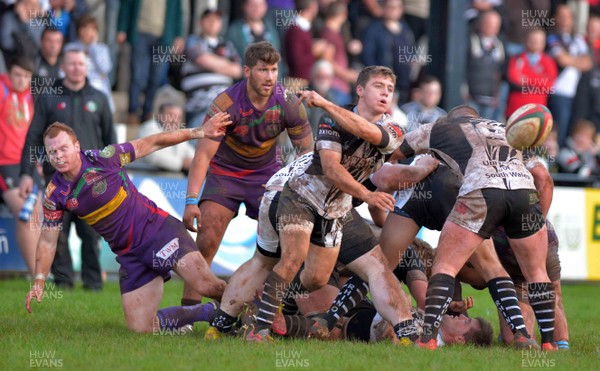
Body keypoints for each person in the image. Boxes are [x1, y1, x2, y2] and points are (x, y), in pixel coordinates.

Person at [241, 66, 408, 342]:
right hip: (302, 196)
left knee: (317, 278)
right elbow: (331, 169)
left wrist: (325, 103)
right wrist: (367, 196)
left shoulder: (395, 128)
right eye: (379, 86)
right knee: (292, 258)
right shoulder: (329, 121)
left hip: (335, 210)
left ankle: (274, 303)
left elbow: (369, 133)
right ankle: (258, 329)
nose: (385, 93)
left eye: (390, 89)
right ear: (360, 90)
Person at [25, 118, 231, 333]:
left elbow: (153, 142)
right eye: (52, 152)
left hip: (159, 232)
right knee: (141, 327)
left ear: (77, 147)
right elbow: (48, 241)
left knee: (208, 286)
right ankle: (208, 312)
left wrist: (199, 131)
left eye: (63, 148)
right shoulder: (55, 193)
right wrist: (39, 280)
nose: (58, 156)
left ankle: (250, 313)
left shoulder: (105, 158)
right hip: (130, 254)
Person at [392, 106, 557, 350]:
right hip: (524, 193)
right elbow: (540, 173)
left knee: (445, 266)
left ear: (450, 117)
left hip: (481, 191)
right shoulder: (505, 128)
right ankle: (547, 344)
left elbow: (394, 152)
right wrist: (538, 223)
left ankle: (427, 339)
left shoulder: (440, 127)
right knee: (537, 273)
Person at [181, 41, 313, 305]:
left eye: (274, 70)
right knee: (206, 240)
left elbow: (307, 156)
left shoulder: (288, 103)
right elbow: (203, 155)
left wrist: (306, 198)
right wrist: (191, 201)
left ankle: (278, 309)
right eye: (262, 70)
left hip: (267, 176)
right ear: (247, 71)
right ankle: (189, 312)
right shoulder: (225, 103)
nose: (269, 77)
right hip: (225, 175)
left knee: (286, 243)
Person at [19, 48, 115, 291]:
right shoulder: (49, 96)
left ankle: (93, 284)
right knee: (57, 234)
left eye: (80, 64)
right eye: (71, 64)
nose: (76, 68)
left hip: (92, 181)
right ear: (63, 66)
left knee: (91, 234)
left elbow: (111, 142)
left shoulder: (100, 98)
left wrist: (114, 174)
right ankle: (63, 284)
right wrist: (25, 173)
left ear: (86, 67)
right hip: (57, 179)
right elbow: (33, 138)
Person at [0, 56, 41, 276]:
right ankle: (37, 275)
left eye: (26, 76)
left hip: (28, 164)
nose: (21, 80)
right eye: (17, 74)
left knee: (36, 214)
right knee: (24, 214)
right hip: (5, 165)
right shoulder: (1, 90)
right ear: (8, 72)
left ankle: (40, 274)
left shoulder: (31, 96)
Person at [117, 0, 184, 124]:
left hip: (163, 37)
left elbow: (178, 13)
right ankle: (132, 111)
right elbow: (126, 6)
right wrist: (121, 28)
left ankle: (147, 112)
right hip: (140, 33)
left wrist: (178, 35)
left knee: (156, 77)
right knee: (137, 75)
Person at [180, 9, 242, 130]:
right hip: (200, 103)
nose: (213, 22)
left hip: (225, 102)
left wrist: (212, 64)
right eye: (209, 19)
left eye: (217, 20)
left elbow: (238, 70)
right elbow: (202, 59)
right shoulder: (192, 41)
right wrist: (226, 65)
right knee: (202, 132)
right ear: (200, 22)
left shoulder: (227, 45)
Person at [547, 4, 592, 147]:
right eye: (561, 16)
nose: (565, 19)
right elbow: (561, 59)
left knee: (570, 129)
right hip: (558, 91)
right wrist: (576, 60)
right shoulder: (552, 36)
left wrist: (570, 60)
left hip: (574, 93)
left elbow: (588, 62)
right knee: (557, 130)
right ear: (555, 18)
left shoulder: (577, 39)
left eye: (568, 16)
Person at [361, 0, 415, 105]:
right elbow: (368, 56)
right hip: (383, 83)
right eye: (390, 7)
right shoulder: (373, 29)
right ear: (383, 8)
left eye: (397, 7)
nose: (394, 10)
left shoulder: (405, 28)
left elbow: (410, 50)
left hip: (403, 85)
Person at [65, 15, 114, 113]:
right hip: (76, 90)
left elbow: (105, 69)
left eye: (92, 29)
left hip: (100, 90)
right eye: (85, 28)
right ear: (79, 30)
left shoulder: (102, 48)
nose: (88, 32)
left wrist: (92, 47)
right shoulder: (70, 48)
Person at [505, 28, 557, 118]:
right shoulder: (517, 59)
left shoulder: (549, 62)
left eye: (539, 40)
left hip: (537, 112)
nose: (535, 43)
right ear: (526, 40)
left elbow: (549, 85)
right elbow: (513, 78)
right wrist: (540, 79)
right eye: (532, 40)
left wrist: (527, 79)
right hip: (516, 110)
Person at [465, 10, 505, 121]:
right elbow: (463, 67)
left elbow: (501, 72)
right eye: (489, 24)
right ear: (480, 24)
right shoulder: (471, 40)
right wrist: (463, 89)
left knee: (486, 132)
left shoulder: (500, 45)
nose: (492, 28)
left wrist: (497, 95)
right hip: (471, 97)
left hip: (490, 98)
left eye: (495, 25)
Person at [136, 103, 195, 173]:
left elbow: (190, 153)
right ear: (160, 115)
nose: (175, 121)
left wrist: (196, 162)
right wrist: (181, 164)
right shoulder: (149, 128)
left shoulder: (178, 132)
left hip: (169, 178)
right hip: (144, 177)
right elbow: (152, 156)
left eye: (178, 117)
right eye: (171, 116)